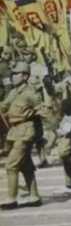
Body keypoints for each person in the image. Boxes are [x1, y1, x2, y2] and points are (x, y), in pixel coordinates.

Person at [0, 61, 43, 209]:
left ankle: (11, 198)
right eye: (12, 74)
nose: (13, 77)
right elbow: (3, 106)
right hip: (15, 131)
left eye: (16, 74)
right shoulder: (14, 92)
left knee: (12, 165)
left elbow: (44, 111)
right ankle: (34, 195)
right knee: (26, 165)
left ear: (25, 76)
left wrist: (40, 133)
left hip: (26, 131)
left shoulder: (31, 93)